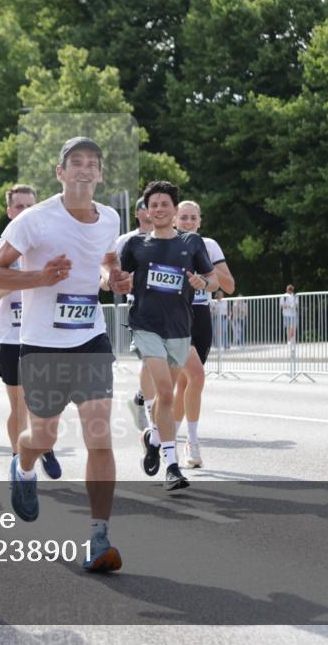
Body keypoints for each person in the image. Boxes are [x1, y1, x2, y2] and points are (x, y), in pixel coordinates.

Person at [0, 136, 132, 572]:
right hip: (42, 344)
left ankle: (99, 536)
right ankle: (23, 464)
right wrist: (42, 277)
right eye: (76, 162)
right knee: (43, 438)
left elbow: (105, 262)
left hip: (90, 339)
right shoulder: (34, 221)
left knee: (99, 437)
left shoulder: (109, 217)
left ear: (100, 174)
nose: (85, 169)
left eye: (93, 163)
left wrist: (112, 280)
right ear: (61, 172)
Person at [120, 181, 218, 491]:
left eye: (165, 204)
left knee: (169, 392)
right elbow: (117, 279)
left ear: (174, 210)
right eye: (154, 204)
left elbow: (213, 279)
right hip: (146, 325)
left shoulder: (192, 243)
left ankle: (153, 438)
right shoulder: (136, 246)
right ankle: (173, 466)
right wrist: (116, 282)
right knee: (165, 392)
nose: (159, 209)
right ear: (146, 211)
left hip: (179, 328)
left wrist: (202, 283)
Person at [0, 184, 61, 477]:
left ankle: (43, 443)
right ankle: (18, 461)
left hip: (48, 337)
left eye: (30, 206)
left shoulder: (48, 245)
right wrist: (2, 289)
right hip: (13, 339)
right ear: (9, 211)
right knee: (20, 404)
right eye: (19, 206)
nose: (24, 212)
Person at [171, 200, 235, 468]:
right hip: (175, 318)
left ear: (200, 222)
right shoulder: (166, 245)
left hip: (201, 317)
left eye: (192, 218)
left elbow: (229, 286)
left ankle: (162, 440)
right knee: (196, 376)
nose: (187, 222)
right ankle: (192, 442)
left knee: (188, 384)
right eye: (183, 217)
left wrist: (206, 271)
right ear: (174, 220)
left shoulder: (209, 245)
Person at [117, 198, 156, 432]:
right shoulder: (127, 240)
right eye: (145, 207)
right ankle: (149, 408)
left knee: (164, 364)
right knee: (150, 359)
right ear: (137, 213)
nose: (150, 211)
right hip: (140, 307)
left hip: (167, 307)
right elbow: (113, 269)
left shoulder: (168, 237)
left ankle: (141, 399)